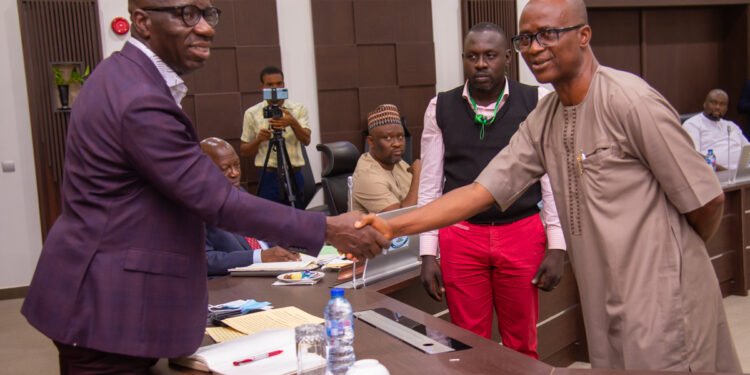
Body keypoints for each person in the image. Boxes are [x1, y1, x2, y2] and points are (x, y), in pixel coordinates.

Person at [358, 0, 742, 372]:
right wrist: (394, 226)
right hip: (603, 296)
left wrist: (671, 263)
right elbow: (480, 192)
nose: (535, 48)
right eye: (525, 39)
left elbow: (706, 201)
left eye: (548, 34)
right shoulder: (546, 116)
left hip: (663, 298)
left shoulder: (630, 100)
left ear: (584, 35)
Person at [21, 1, 387, 373]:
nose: (207, 29)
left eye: (208, 14)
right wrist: (326, 228)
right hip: (105, 307)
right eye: (187, 14)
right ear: (143, 22)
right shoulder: (139, 98)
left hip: (111, 301)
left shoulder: (127, 77)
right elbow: (217, 201)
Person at [417, 22, 566, 359]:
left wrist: (557, 245)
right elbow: (430, 188)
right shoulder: (439, 107)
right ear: (464, 59)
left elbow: (553, 181)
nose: (480, 64)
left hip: (522, 233)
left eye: (490, 56)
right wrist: (428, 253)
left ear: (508, 58)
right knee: (468, 345)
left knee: (522, 343)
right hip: (461, 237)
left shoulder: (537, 101)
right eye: (472, 56)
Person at [200, 137, 301, 277]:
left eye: (237, 165)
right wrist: (260, 257)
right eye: (225, 169)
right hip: (235, 284)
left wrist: (285, 246)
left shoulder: (239, 192)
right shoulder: (197, 206)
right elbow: (206, 260)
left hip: (275, 271)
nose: (234, 173)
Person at [239, 66, 311, 207]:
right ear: (262, 87)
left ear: (284, 85)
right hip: (268, 176)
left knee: (298, 217)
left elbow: (306, 140)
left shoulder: (298, 109)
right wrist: (258, 139)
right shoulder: (252, 113)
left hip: (294, 173)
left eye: (279, 84)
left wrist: (292, 122)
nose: (275, 88)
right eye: (270, 85)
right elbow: (244, 150)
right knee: (270, 221)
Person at [352, 104, 422, 213]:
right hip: (385, 229)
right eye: (388, 138)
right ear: (371, 142)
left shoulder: (397, 162)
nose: (397, 144)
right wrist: (418, 175)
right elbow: (402, 218)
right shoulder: (367, 176)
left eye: (400, 137)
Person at [683, 89, 749, 169]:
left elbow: (747, 149)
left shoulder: (731, 125)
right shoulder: (693, 124)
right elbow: (695, 156)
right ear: (704, 104)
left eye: (722, 104)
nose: (717, 107)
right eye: (714, 103)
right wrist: (724, 171)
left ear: (726, 108)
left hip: (742, 173)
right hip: (716, 174)